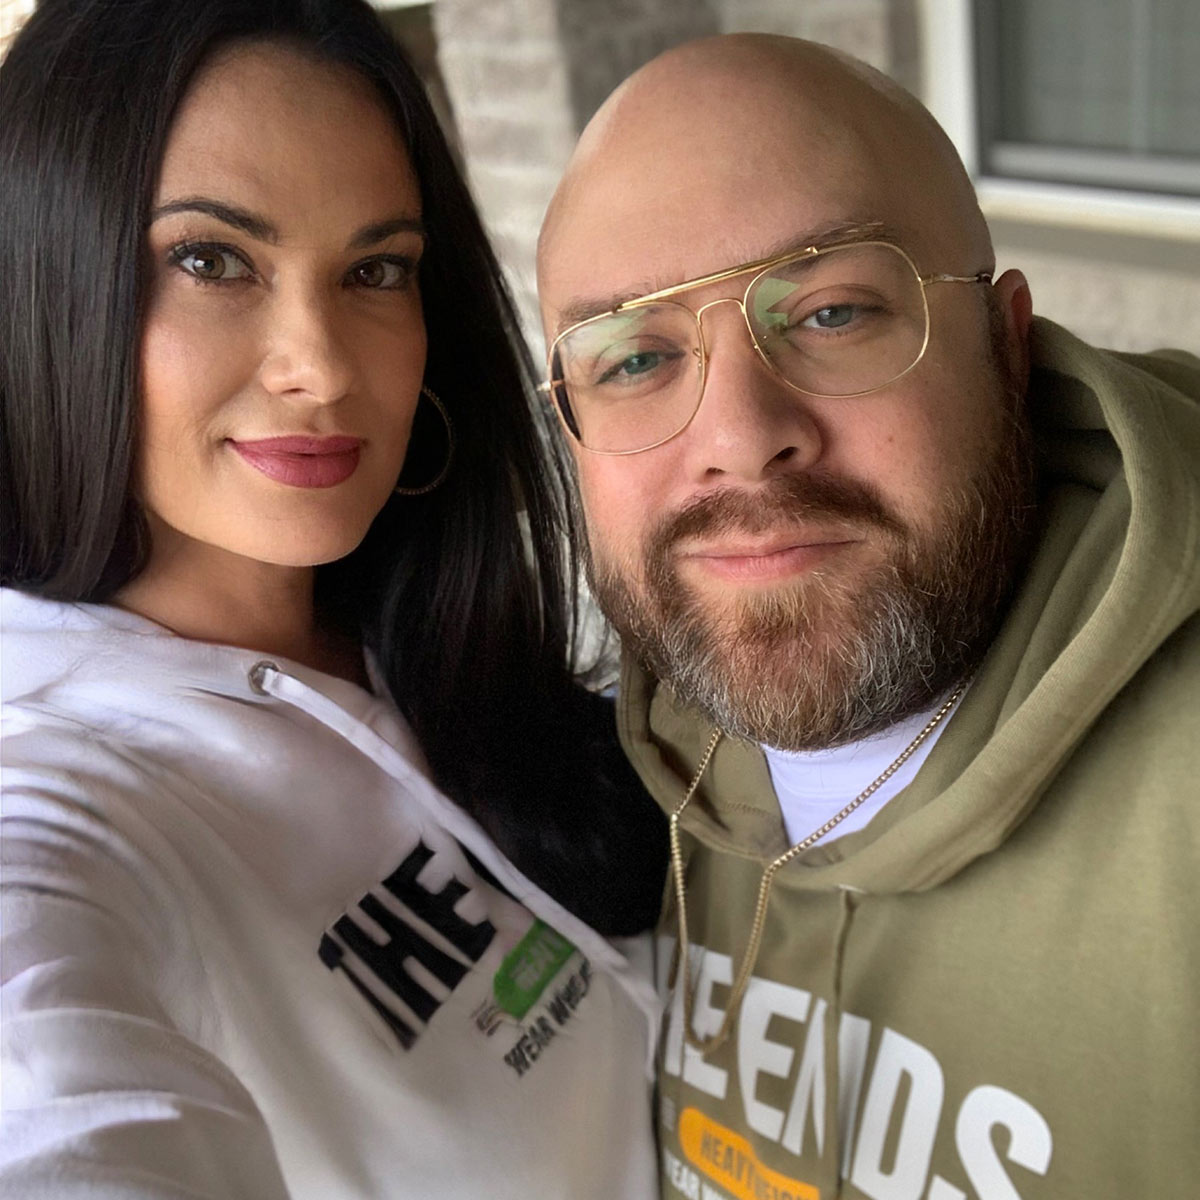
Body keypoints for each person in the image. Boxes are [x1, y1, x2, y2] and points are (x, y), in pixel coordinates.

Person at [0, 2, 666, 1196]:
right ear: (44, 274)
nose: (322, 364)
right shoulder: (58, 799)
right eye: (210, 259)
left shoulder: (444, 633)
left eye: (376, 270)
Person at [537, 33, 1200, 1200]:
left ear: (1006, 344)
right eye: (635, 357)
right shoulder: (638, 772)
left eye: (834, 313)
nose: (739, 438)